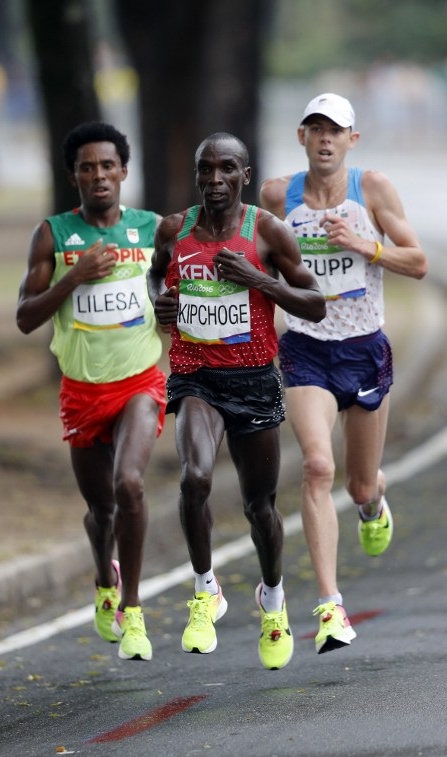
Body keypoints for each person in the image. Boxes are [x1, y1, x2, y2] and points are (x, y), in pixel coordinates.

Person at [147, 132, 325, 670]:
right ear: (196, 174)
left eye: (227, 169)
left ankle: (273, 600)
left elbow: (314, 304)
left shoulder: (267, 232)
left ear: (245, 175)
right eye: (206, 169)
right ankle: (205, 591)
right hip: (195, 376)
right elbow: (158, 273)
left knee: (259, 508)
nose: (215, 180)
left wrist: (256, 280)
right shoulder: (174, 230)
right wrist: (161, 302)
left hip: (252, 380)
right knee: (194, 477)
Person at [259, 93, 428, 655]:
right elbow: (259, 264)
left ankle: (372, 502)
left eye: (336, 130)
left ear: (352, 140)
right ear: (301, 137)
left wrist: (364, 245)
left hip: (363, 349)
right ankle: (331, 607)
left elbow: (418, 261)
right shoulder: (277, 196)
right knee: (314, 466)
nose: (325, 139)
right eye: (315, 128)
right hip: (306, 348)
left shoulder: (371, 189)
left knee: (357, 482)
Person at [16, 122, 167, 662]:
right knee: (101, 511)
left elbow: (175, 288)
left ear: (124, 172)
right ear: (73, 175)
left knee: (130, 484)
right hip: (82, 391)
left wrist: (171, 312)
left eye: (108, 165)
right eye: (87, 167)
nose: (98, 175)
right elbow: (25, 319)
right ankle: (105, 577)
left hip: (140, 383)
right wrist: (73, 278)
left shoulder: (150, 229)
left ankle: (133, 611)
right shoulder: (52, 236)